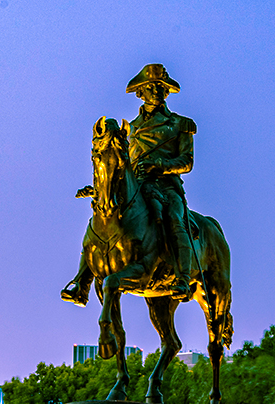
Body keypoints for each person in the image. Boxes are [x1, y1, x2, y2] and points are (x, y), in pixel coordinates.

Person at [62, 63, 197, 304]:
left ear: (167, 92)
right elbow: (121, 167)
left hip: (167, 187)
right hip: (137, 186)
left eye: (160, 87)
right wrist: (101, 188)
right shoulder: (131, 129)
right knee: (100, 218)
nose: (156, 91)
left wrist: (160, 164)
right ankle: (82, 281)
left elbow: (186, 162)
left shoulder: (180, 124)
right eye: (150, 87)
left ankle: (183, 278)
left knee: (175, 219)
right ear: (140, 92)